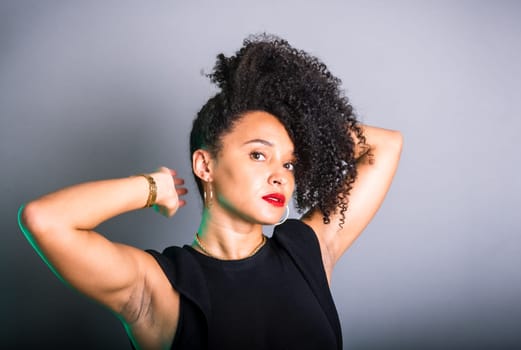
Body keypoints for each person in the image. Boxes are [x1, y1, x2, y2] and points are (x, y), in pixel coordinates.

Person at [18, 34, 403, 350]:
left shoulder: (308, 249)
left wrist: (302, 126)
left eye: (288, 163)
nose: (281, 176)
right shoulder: (160, 286)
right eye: (258, 154)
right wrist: (152, 187)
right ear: (205, 166)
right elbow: (47, 220)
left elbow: (386, 146)